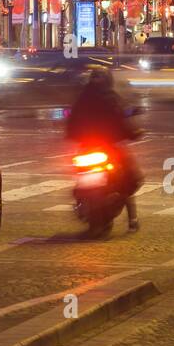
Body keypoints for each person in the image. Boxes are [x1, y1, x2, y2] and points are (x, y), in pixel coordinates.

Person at [66, 67, 142, 231]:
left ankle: (131, 218)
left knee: (127, 174)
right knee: (132, 177)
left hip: (87, 147)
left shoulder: (82, 98)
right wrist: (133, 133)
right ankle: (132, 219)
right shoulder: (111, 98)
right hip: (107, 146)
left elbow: (71, 124)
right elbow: (122, 120)